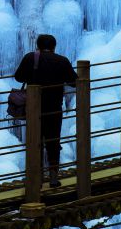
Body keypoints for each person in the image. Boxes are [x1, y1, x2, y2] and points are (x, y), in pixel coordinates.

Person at [14, 34, 77, 188]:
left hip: (34, 108)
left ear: (38, 46)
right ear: (54, 46)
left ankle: (36, 178)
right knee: (53, 141)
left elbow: (18, 77)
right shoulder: (62, 61)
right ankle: (54, 178)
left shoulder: (30, 58)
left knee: (35, 141)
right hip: (54, 108)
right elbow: (74, 82)